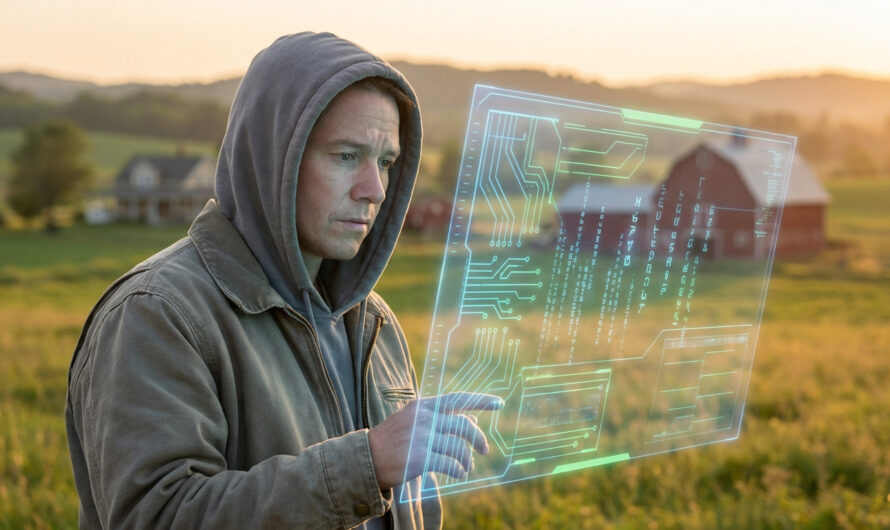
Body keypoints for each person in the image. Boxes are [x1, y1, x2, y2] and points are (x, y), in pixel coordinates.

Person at [65, 32, 500, 529]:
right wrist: (367, 463)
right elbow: (158, 517)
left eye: (385, 162)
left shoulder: (374, 323)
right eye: (346, 156)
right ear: (274, 158)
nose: (375, 189)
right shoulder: (157, 313)